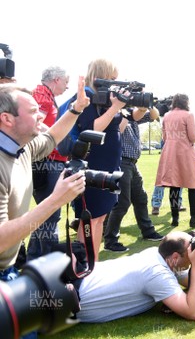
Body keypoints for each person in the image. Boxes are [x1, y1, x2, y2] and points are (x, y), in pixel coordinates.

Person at [0, 81, 88, 338]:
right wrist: (55, 200)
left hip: (9, 268)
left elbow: (51, 139)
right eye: (33, 111)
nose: (42, 115)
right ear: (6, 118)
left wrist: (76, 109)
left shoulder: (21, 146)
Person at [75, 231, 195, 322]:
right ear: (175, 257)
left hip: (80, 276)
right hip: (74, 298)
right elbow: (194, 312)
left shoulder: (158, 255)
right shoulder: (157, 273)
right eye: (189, 251)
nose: (192, 256)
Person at [70, 59, 127, 261]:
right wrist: (115, 108)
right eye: (112, 78)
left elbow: (115, 130)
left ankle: (93, 264)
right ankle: (83, 264)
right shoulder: (87, 96)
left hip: (110, 165)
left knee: (101, 217)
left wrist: (123, 110)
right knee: (90, 218)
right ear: (101, 75)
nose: (115, 82)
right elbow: (92, 129)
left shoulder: (104, 99)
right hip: (94, 165)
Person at [26, 67, 72, 261]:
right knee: (49, 213)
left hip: (52, 161)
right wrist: (59, 138)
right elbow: (36, 125)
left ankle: (37, 257)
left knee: (49, 213)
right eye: (65, 81)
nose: (67, 86)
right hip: (47, 161)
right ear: (55, 79)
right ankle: (38, 260)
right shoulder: (41, 96)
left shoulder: (46, 96)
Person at [103, 106, 164, 252]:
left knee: (141, 198)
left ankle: (148, 231)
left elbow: (154, 115)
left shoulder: (135, 114)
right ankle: (110, 240)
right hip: (120, 162)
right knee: (122, 203)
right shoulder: (116, 114)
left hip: (132, 163)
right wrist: (126, 113)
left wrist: (147, 104)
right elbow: (118, 131)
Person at [154, 94, 195, 228]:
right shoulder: (188, 115)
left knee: (174, 185)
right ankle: (194, 218)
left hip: (170, 152)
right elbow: (193, 137)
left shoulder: (166, 116)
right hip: (186, 152)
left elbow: (164, 136)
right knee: (192, 185)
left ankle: (175, 218)